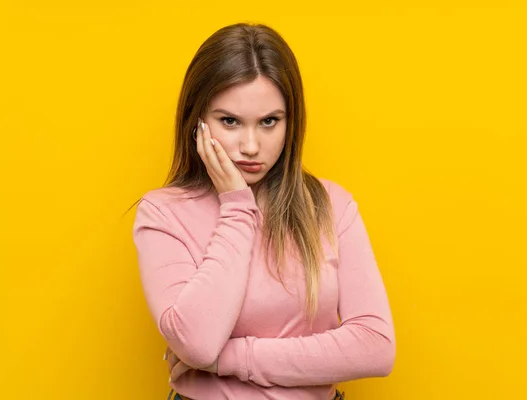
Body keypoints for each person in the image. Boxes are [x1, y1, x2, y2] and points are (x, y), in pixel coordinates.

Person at [132, 22, 396, 400]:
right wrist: (237, 207)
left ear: (292, 121)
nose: (251, 146)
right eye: (230, 122)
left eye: (269, 121)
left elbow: (375, 346)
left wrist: (233, 357)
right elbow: (198, 344)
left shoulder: (331, 205)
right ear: (197, 121)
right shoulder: (163, 213)